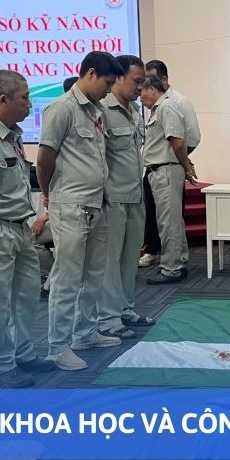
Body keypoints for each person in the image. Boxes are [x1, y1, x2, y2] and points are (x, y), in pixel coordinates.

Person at [0, 70, 54, 387]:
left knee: (27, 295)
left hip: (20, 226)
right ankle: (1, 366)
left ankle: (23, 354)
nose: (30, 104)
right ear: (3, 99)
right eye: (25, 98)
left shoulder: (13, 134)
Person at [37, 51, 124, 370]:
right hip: (71, 204)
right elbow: (44, 158)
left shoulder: (97, 110)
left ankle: (84, 333)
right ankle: (58, 347)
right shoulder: (62, 108)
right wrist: (50, 196)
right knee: (67, 278)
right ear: (90, 74)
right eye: (107, 83)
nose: (109, 89)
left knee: (93, 274)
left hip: (97, 202)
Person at [97, 55, 155, 335]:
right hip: (113, 199)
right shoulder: (101, 111)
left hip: (135, 195)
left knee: (130, 259)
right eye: (137, 81)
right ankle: (107, 319)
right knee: (110, 263)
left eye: (143, 82)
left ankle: (125, 308)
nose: (141, 88)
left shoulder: (134, 111)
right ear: (118, 78)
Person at [139, 59, 201, 268]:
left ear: (152, 89)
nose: (139, 97)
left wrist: (186, 166)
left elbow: (179, 142)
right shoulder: (159, 108)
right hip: (159, 169)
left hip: (165, 169)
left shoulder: (167, 107)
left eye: (141, 91)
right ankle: (178, 260)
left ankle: (171, 267)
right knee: (169, 219)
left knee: (169, 222)